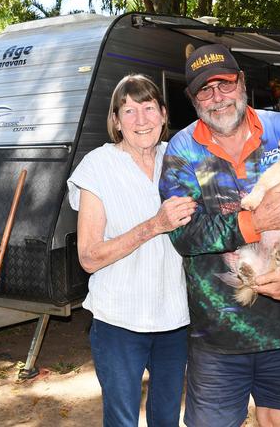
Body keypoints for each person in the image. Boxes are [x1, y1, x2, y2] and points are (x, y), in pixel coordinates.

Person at [159, 44, 280, 427]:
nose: (218, 98)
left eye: (225, 85)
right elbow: (184, 236)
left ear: (242, 83)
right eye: (204, 91)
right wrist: (256, 220)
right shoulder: (182, 149)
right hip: (219, 331)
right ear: (194, 99)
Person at [67, 74, 197, 427]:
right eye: (129, 111)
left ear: (164, 114)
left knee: (167, 418)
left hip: (174, 316)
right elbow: (89, 257)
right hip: (119, 320)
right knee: (122, 420)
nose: (141, 120)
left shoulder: (180, 157)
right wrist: (154, 225)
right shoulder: (97, 166)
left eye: (149, 108)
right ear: (116, 121)